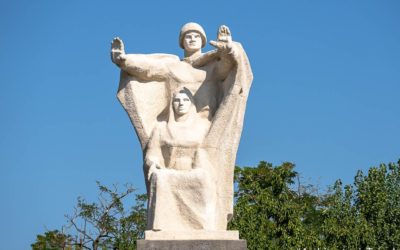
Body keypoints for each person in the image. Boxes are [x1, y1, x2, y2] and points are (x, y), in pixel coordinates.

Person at [111, 22, 253, 234]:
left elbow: (227, 68)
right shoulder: (173, 66)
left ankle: (208, 223)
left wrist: (229, 49)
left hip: (207, 130)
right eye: (188, 36)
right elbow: (149, 68)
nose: (193, 39)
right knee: (165, 172)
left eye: (197, 35)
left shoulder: (211, 66)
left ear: (203, 41)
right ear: (181, 41)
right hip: (174, 127)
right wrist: (124, 60)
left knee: (207, 178)